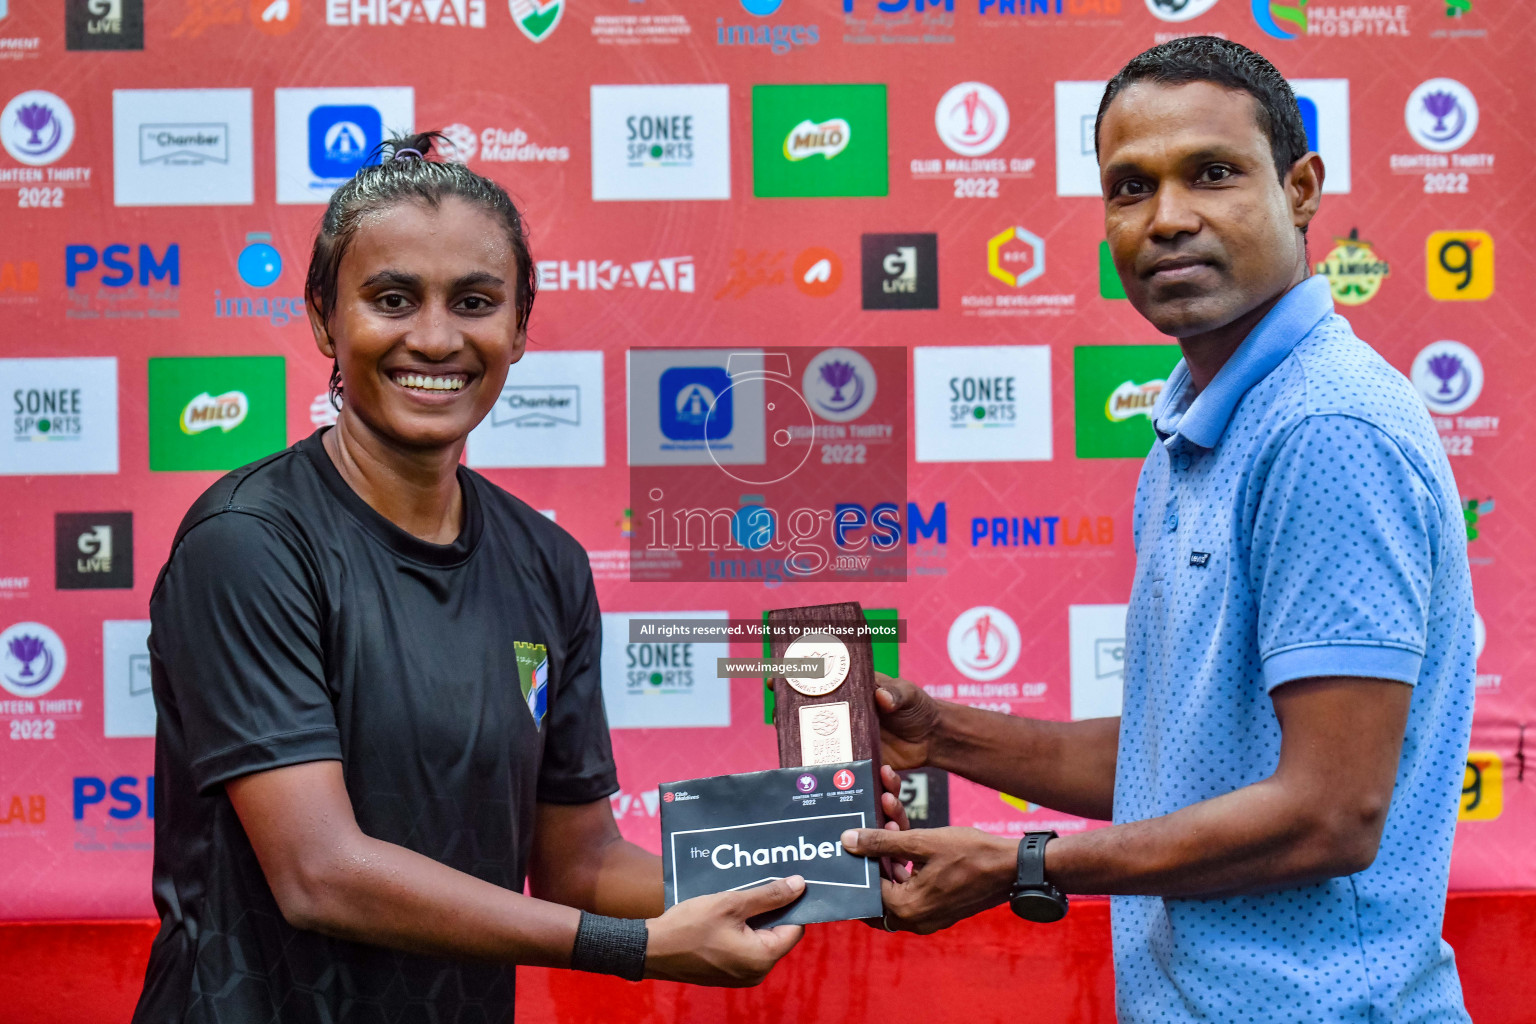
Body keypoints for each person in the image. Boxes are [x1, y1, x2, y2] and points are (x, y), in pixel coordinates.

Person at [132, 133, 903, 1023]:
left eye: (474, 301)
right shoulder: (249, 542)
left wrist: (816, 866)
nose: (434, 336)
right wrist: (637, 951)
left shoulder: (547, 562)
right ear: (322, 318)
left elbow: (580, 863)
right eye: (391, 299)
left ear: (520, 327)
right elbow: (320, 874)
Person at [842, 37, 1475, 1023]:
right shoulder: (1205, 422)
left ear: (1301, 188)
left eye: (1212, 174)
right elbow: (1174, 768)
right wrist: (946, 735)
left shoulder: (1326, 428)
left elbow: (1328, 811)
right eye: (1130, 187)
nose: (1168, 218)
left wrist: (1023, 864)